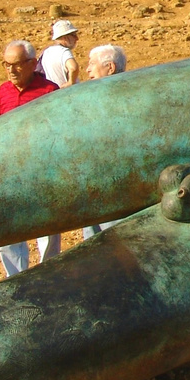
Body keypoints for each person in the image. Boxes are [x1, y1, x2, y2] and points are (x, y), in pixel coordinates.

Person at [0, 41, 61, 277]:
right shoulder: (3, 91)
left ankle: (46, 276)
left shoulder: (49, 91)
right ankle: (15, 278)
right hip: (9, 171)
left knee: (46, 228)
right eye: (7, 65)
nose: (11, 70)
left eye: (17, 65)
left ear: (32, 64)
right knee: (8, 229)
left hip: (41, 171)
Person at [81, 44, 129, 241]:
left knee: (117, 237)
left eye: (92, 64)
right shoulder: (88, 97)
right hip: (92, 178)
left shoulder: (127, 96)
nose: (87, 69)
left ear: (110, 68)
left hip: (118, 179)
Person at [40, 20, 81, 88]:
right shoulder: (64, 52)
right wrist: (71, 82)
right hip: (69, 93)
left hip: (54, 93)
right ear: (65, 37)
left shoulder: (46, 52)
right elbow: (73, 68)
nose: (77, 38)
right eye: (73, 35)